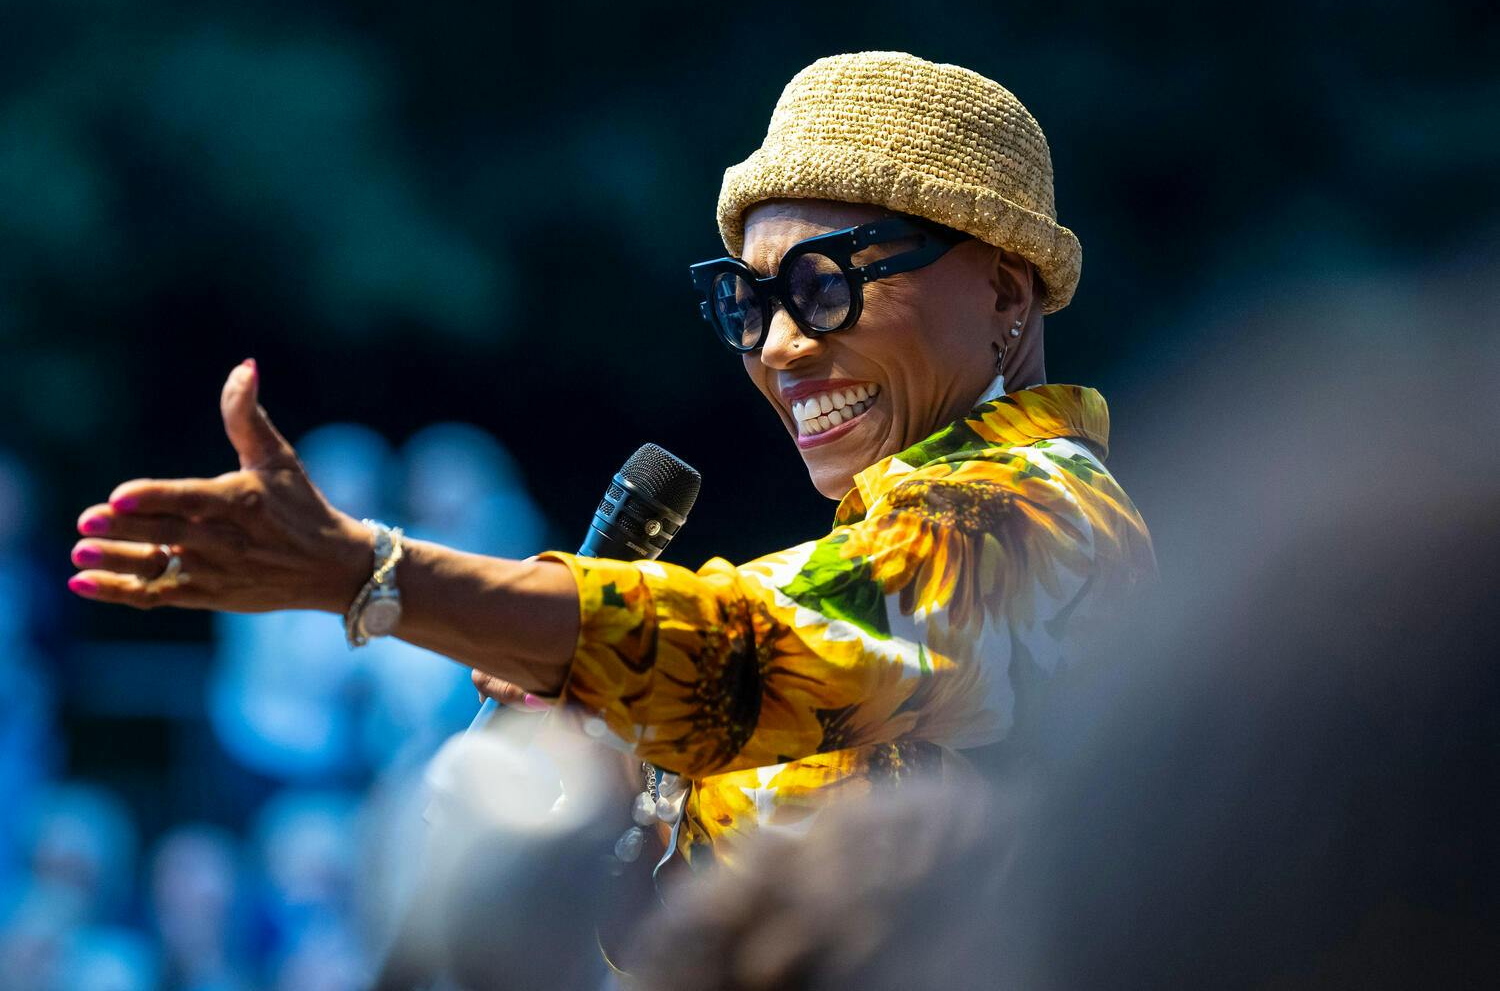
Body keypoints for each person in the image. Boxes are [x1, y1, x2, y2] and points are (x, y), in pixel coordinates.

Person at [67, 51, 1154, 882]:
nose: (777, 346)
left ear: (1006, 294)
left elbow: (741, 652)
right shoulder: (890, 552)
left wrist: (370, 575)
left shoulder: (1031, 519)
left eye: (826, 283)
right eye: (750, 300)